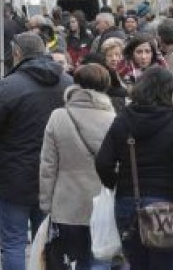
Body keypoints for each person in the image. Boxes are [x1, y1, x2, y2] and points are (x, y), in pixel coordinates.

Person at [0, 32, 72, 270]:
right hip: (54, 174)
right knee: (47, 242)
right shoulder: (67, 83)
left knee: (13, 243)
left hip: (14, 175)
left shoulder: (9, 86)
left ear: (17, 53)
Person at [96, 66, 173, 270]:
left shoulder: (123, 120)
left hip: (129, 201)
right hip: (166, 206)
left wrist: (117, 184)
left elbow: (103, 162)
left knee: (135, 263)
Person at [40, 64, 116, 270]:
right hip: (103, 202)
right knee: (101, 258)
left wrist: (46, 204)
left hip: (66, 203)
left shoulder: (58, 117)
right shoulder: (113, 119)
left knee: (77, 259)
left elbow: (48, 165)